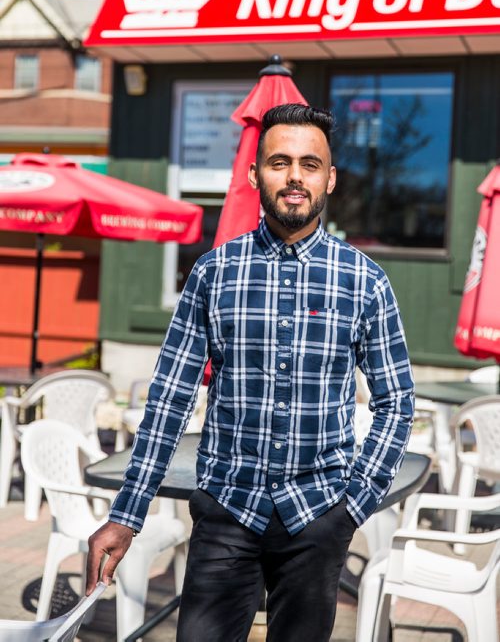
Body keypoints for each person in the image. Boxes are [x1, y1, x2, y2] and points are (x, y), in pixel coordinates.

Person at [86, 103, 414, 641]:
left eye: (310, 165)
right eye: (279, 162)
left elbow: (397, 401)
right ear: (254, 173)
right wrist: (127, 514)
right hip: (226, 512)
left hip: (318, 515)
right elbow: (170, 397)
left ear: (329, 178)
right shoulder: (214, 273)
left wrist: (352, 507)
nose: (294, 177)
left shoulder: (365, 281)